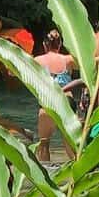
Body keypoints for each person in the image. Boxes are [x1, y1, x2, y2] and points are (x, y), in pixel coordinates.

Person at [35, 30, 76, 162]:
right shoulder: (68, 60)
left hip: (48, 103)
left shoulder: (37, 61)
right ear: (60, 45)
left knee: (44, 143)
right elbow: (93, 63)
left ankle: (47, 177)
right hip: (67, 103)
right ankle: (79, 175)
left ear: (44, 45)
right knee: (71, 143)